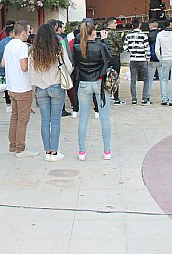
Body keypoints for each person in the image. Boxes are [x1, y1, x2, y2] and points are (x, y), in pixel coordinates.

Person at [29, 23, 73, 162]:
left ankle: (47, 151)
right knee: (55, 121)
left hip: (41, 89)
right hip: (56, 86)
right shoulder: (58, 48)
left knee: (44, 121)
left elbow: (31, 71)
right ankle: (54, 151)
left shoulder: (33, 51)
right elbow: (69, 66)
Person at [73, 20, 112, 161]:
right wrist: (105, 41)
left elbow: (74, 64)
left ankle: (82, 151)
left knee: (83, 119)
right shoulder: (101, 45)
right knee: (104, 118)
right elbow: (109, 59)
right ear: (93, 32)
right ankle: (107, 151)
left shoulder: (77, 47)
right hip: (100, 82)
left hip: (84, 83)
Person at [2, 20, 37, 158]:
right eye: (28, 32)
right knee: (23, 120)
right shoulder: (22, 47)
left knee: (14, 118)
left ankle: (13, 145)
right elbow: (24, 67)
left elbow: (3, 63)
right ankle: (21, 149)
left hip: (11, 87)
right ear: (23, 32)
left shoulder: (8, 44)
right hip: (23, 87)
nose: (29, 34)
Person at [124, 20, 150, 105]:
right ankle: (144, 99)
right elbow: (147, 48)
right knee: (146, 79)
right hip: (142, 59)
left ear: (132, 26)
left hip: (133, 59)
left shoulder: (128, 36)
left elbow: (125, 48)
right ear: (140, 25)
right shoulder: (144, 35)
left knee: (133, 80)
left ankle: (134, 99)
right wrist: (148, 57)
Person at [103, 17, 125, 105]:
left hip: (105, 58)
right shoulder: (114, 34)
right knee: (115, 77)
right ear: (110, 24)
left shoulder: (103, 33)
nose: (116, 25)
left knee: (106, 77)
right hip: (114, 57)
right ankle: (116, 98)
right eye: (115, 23)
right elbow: (120, 45)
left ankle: (106, 95)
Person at [0, 25, 14, 112]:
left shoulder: (2, 42)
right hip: (11, 67)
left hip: (3, 67)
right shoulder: (12, 42)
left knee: (6, 87)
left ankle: (8, 105)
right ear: (11, 32)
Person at [145, 20, 161, 103]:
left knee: (149, 79)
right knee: (163, 80)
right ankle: (164, 98)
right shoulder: (160, 35)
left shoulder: (147, 36)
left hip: (151, 59)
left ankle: (147, 97)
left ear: (150, 26)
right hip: (160, 58)